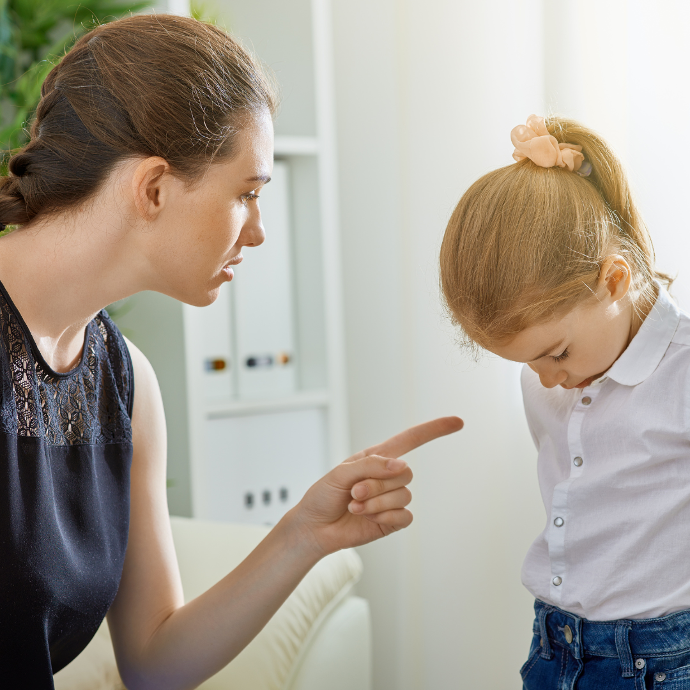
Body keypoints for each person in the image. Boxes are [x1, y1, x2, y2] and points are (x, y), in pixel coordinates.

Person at [0, 13, 463, 688]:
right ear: (153, 188)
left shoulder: (129, 386)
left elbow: (155, 663)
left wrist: (301, 534)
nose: (259, 232)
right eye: (246, 194)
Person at [440, 114, 690, 688]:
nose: (547, 380)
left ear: (614, 281)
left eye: (555, 353)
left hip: (660, 660)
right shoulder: (551, 380)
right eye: (526, 364)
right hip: (554, 646)